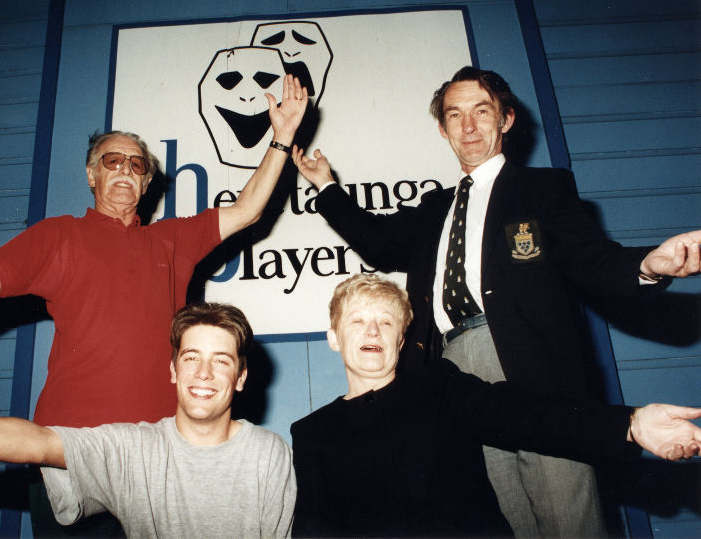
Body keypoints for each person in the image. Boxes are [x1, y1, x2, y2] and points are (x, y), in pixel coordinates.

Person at [0, 74, 306, 535]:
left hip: (158, 459)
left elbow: (247, 210)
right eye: (112, 160)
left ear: (146, 184)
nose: (125, 170)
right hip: (68, 455)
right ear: (92, 174)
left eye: (136, 165)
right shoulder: (60, 236)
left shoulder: (171, 240)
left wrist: (280, 136)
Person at [291, 66, 701, 536]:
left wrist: (649, 264)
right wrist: (325, 187)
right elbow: (378, 242)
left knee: (566, 513)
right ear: (442, 130)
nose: (468, 126)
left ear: (506, 119)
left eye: (481, 112)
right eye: (455, 115)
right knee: (498, 517)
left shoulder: (542, 190)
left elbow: (593, 260)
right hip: (450, 374)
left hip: (527, 365)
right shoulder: (432, 209)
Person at [0, 302, 297, 539]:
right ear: (172, 370)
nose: (204, 373)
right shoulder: (132, 450)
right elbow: (37, 442)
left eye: (222, 361)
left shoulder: (268, 454)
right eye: (191, 358)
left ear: (241, 378)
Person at [291, 274, 701, 537]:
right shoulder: (312, 433)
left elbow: (527, 414)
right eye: (358, 320)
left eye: (386, 321)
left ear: (401, 341)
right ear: (333, 336)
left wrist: (629, 423)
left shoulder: (440, 387)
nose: (373, 330)